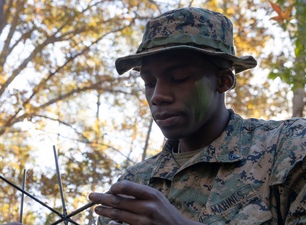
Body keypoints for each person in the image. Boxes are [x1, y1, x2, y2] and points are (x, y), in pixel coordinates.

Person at [87, 7, 306, 225]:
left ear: (223, 81)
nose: (158, 96)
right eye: (149, 83)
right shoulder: (134, 184)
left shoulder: (288, 148)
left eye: (179, 78)